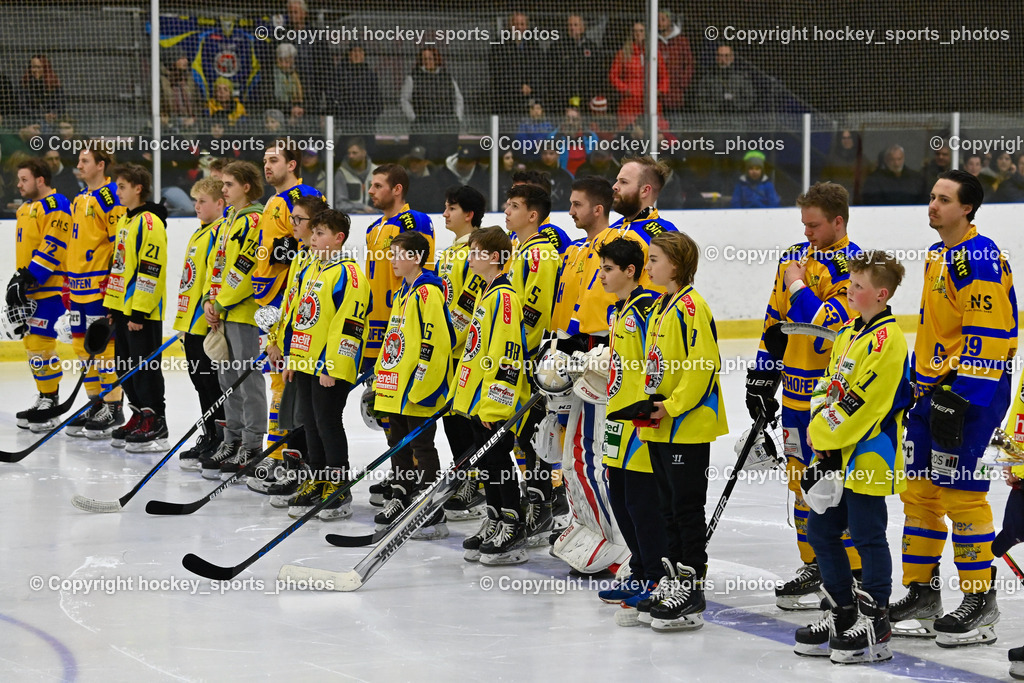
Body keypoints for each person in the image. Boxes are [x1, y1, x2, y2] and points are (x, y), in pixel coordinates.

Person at [889, 169, 1015, 647]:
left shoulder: (979, 259)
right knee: (919, 492)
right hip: (930, 392)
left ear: (967, 208)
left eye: (944, 199)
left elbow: (992, 337)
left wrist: (959, 397)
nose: (933, 205)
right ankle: (922, 593)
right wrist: (917, 385)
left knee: (961, 493)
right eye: (932, 196)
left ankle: (980, 600)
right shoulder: (939, 254)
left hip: (968, 396)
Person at [746, 181, 863, 611]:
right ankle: (814, 562)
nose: (808, 233)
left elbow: (825, 325)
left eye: (814, 225)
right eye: (803, 225)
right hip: (794, 396)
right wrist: (760, 377)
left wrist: (797, 287)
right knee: (799, 481)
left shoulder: (855, 266)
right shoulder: (793, 257)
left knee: (833, 483)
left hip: (831, 400)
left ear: (838, 221)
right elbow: (773, 322)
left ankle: (851, 571)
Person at [793, 251, 913, 663]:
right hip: (833, 452)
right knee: (822, 532)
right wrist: (818, 421)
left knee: (866, 534)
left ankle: (874, 619)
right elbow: (826, 384)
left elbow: (866, 402)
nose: (849, 292)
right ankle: (843, 611)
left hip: (869, 454)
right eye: (849, 285)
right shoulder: (846, 334)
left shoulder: (889, 340)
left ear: (880, 295)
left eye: (858, 288)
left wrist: (822, 432)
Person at [620, 231, 728, 632]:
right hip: (660, 426)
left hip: (685, 426)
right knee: (666, 507)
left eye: (654, 260)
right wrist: (648, 402)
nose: (647, 266)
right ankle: (670, 579)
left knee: (685, 508)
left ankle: (690, 585)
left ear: (676, 266)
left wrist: (671, 405)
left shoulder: (691, 307)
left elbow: (703, 365)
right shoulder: (665, 305)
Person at [280, 209, 369, 521]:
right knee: (310, 422)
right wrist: (292, 356)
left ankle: (338, 484)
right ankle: (317, 478)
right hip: (305, 363)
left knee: (327, 422)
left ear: (339, 238)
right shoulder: (312, 270)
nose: (313, 239)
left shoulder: (350, 274)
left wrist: (331, 365)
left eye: (320, 234)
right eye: (313, 233)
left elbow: (349, 325)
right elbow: (297, 316)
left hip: (329, 367)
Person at [593, 238, 666, 606]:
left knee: (641, 503)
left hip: (639, 424)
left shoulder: (646, 310)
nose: (601, 275)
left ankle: (655, 576)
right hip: (616, 421)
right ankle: (638, 570)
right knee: (619, 499)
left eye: (607, 269)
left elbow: (657, 363)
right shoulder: (618, 310)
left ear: (630, 271)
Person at [454, 226, 532, 566]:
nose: (471, 257)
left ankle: (512, 524)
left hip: (492, 402)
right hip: (476, 399)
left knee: (499, 461)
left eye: (477, 252)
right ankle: (495, 517)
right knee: (487, 463)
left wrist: (494, 402)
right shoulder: (488, 292)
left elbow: (506, 353)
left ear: (496, 258)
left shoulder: (504, 296)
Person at [370, 231, 455, 538]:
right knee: (398, 445)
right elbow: (392, 341)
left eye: (398, 254)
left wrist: (424, 384)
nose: (392, 260)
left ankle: (432, 508)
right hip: (396, 386)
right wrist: (381, 376)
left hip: (417, 388)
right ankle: (402, 493)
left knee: (422, 446)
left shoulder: (427, 293)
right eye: (391, 254)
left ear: (417, 258)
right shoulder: (402, 293)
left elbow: (436, 342)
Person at [252, 142, 324, 454]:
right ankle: (280, 451)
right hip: (270, 299)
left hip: (287, 298)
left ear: (292, 164)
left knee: (285, 379)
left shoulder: (301, 198)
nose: (267, 166)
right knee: (277, 378)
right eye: (264, 161)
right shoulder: (274, 201)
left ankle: (283, 452)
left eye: (274, 160)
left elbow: (307, 245)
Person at [197, 161, 266, 479]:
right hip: (222, 313)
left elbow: (248, 270)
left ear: (246, 187)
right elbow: (218, 266)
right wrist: (210, 303)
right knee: (227, 381)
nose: (222, 190)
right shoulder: (230, 221)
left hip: (243, 313)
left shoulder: (254, 220)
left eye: (228, 184)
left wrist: (221, 302)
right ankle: (232, 439)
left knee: (246, 381)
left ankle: (252, 445)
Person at [102, 164, 169, 452]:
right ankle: (138, 414)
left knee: (145, 370)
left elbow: (151, 269)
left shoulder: (149, 222)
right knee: (126, 368)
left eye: (122, 187)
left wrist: (138, 311)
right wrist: (114, 306)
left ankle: (156, 421)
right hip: (124, 312)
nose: (118, 192)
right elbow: (119, 268)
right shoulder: (125, 222)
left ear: (138, 188)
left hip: (142, 315)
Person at [7, 158, 71, 431]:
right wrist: (19, 279)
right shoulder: (25, 209)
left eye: (24, 180)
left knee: (41, 341)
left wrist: (30, 276)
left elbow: (54, 244)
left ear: (40, 180)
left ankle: (52, 402)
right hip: (33, 286)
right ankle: (45, 395)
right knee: (32, 343)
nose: (19, 185)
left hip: (53, 286)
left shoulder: (57, 206)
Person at [65, 149, 125, 438]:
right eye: (78, 161)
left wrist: (114, 288)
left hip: (98, 284)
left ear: (101, 165)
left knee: (104, 348)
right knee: (81, 346)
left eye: (85, 161)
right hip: (77, 285)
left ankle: (113, 407)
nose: (79, 165)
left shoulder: (111, 196)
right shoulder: (79, 199)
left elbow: (118, 246)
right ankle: (95, 402)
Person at [438, 186, 489, 519]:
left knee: (468, 419)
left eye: (451, 207)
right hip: (446, 350)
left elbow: (467, 303)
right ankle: (464, 473)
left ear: (468, 214)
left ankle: (478, 481)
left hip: (464, 352)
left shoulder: (474, 250)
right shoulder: (449, 252)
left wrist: (447, 341)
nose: (445, 213)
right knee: (451, 419)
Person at [174, 178, 227, 468]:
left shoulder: (220, 233)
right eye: (194, 200)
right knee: (200, 384)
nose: (196, 206)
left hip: (208, 324)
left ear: (220, 203)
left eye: (202, 201)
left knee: (212, 385)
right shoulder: (200, 233)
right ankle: (210, 436)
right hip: (191, 324)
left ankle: (221, 438)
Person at [363, 164, 434, 369]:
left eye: (377, 186)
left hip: (400, 327)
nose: (370, 191)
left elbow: (424, 274)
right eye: (371, 185)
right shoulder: (373, 227)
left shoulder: (414, 220)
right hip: (373, 328)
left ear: (397, 189)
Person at [400, 47, 463, 162]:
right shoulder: (412, 78)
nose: (428, 61)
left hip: (447, 128)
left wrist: (457, 118)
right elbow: (405, 100)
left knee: (447, 159)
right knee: (427, 159)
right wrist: (414, 118)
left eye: (430, 58)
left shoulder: (447, 77)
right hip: (424, 127)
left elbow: (458, 99)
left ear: (436, 59)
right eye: (424, 59)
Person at [609, 22, 668, 129]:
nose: (638, 34)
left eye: (641, 31)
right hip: (630, 101)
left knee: (655, 130)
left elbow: (664, 75)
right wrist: (626, 89)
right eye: (635, 31)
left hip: (650, 100)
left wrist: (658, 91)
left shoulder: (654, 53)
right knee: (629, 132)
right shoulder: (624, 53)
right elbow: (614, 76)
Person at [490, 12, 547, 115]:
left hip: (530, 99)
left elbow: (540, 69)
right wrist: (518, 86)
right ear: (509, 26)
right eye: (516, 24)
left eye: (522, 24)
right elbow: (498, 72)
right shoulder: (499, 45)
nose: (519, 28)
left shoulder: (534, 46)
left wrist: (531, 86)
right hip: (506, 100)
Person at [547, 13, 603, 112]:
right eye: (570, 25)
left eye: (575, 25)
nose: (572, 28)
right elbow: (551, 73)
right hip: (562, 99)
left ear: (583, 27)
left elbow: (597, 73)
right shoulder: (557, 47)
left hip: (586, 98)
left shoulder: (592, 47)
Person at [330, 45, 382, 133]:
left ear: (364, 55)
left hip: (367, 123)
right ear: (349, 54)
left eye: (360, 51)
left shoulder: (371, 75)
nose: (357, 54)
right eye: (354, 51)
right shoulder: (339, 74)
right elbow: (334, 97)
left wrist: (370, 117)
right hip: (346, 123)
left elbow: (377, 100)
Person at [657, 10, 695, 122]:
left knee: (674, 128)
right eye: (658, 19)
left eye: (663, 19)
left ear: (670, 21)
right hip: (657, 94)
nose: (659, 22)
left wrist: (682, 84)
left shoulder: (681, 41)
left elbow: (689, 64)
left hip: (675, 94)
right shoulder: (653, 41)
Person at [695, 45, 755, 114]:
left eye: (726, 56)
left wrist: (734, 104)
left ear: (732, 58)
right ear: (716, 58)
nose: (723, 60)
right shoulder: (707, 79)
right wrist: (719, 106)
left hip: (738, 119)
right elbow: (700, 102)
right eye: (720, 56)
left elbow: (749, 102)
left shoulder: (742, 79)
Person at [861, 144, 927, 206]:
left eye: (899, 159)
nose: (896, 163)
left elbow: (924, 198)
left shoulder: (915, 178)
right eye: (892, 159)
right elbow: (871, 200)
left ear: (903, 159)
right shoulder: (874, 180)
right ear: (886, 160)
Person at [334, 138, 378, 215]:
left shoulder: (377, 172)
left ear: (364, 153)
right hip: (351, 217)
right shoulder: (342, 173)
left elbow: (385, 200)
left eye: (354, 153)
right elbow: (340, 205)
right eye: (349, 153)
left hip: (376, 216)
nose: (350, 156)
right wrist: (362, 208)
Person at [20, 55, 64, 124]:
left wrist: (53, 113)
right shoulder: (25, 84)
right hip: (31, 121)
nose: (35, 70)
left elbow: (61, 104)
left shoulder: (54, 83)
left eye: (39, 67)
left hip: (53, 120)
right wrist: (42, 115)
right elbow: (22, 107)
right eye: (33, 67)